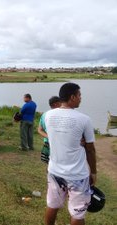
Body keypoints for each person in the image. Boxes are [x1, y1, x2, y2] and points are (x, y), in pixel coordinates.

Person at [44, 83, 97, 225]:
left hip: (54, 170)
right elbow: (91, 149)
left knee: (52, 204)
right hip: (77, 174)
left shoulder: (48, 115)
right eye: (79, 95)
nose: (81, 98)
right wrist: (93, 172)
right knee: (78, 213)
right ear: (72, 97)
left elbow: (57, 135)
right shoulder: (84, 119)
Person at [37, 96, 61, 163]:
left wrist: (48, 136)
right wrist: (50, 137)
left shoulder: (45, 114)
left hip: (47, 143)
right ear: (56, 104)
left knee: (49, 164)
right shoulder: (61, 115)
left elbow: (39, 130)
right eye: (61, 103)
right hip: (57, 144)